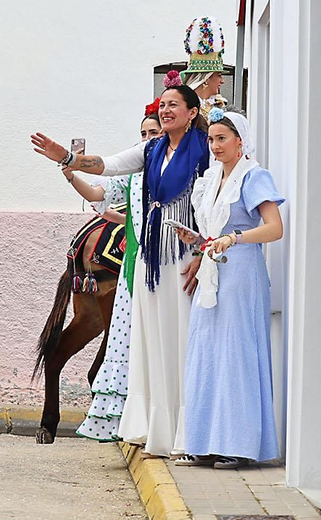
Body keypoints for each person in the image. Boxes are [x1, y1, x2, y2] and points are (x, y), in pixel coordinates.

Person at [32, 79, 210, 455]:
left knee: (184, 342)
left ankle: (190, 431)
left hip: (185, 258)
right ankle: (158, 429)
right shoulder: (150, 151)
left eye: (174, 105)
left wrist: (202, 252)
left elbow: (212, 202)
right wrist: (67, 159)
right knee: (152, 344)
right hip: (149, 262)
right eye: (162, 105)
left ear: (192, 112)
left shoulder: (204, 150)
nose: (166, 110)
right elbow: (106, 166)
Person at [175, 110, 284, 467]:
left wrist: (235, 238)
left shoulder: (253, 176)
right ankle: (203, 441)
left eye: (222, 138)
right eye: (211, 139)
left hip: (241, 274)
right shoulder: (210, 179)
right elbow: (213, 230)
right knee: (206, 352)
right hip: (212, 270)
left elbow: (274, 228)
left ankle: (238, 445)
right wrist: (198, 239)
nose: (215, 145)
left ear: (240, 141)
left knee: (236, 353)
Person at [64, 112, 161, 443]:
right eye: (144, 134)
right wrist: (71, 173)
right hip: (136, 265)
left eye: (154, 132)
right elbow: (96, 195)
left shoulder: (176, 172)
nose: (148, 139)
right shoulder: (133, 179)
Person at [181, 15, 229, 120]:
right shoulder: (185, 105)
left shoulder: (220, 104)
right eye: (219, 75)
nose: (222, 81)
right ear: (206, 78)